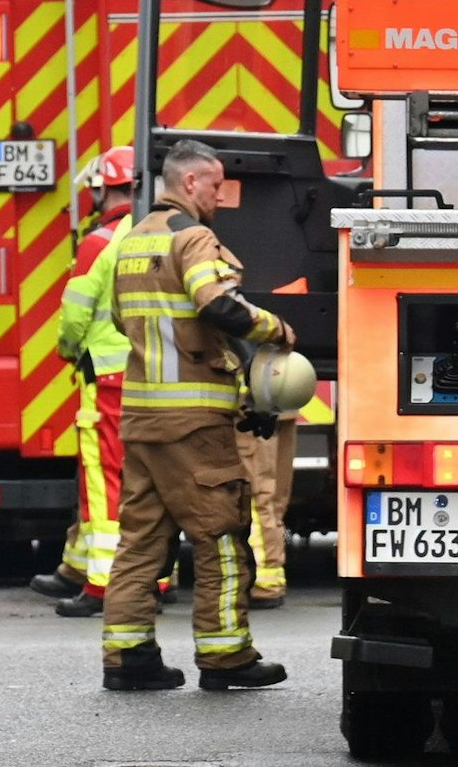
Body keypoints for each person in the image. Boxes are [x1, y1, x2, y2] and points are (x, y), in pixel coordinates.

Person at [100, 140, 294, 691]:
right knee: (223, 535)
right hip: (194, 421)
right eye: (214, 185)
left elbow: (121, 321)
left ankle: (128, 657)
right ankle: (226, 656)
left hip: (141, 419)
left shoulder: (131, 243)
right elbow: (216, 304)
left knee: (140, 539)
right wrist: (275, 329)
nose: (220, 195)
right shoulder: (194, 236)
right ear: (189, 184)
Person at [34, 146, 136, 617]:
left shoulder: (100, 242)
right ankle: (147, 577)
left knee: (104, 479)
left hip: (107, 379)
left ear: (103, 188)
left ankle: (101, 584)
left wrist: (66, 351)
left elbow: (74, 319)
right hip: (154, 377)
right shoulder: (162, 234)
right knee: (144, 479)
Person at [237, 414, 298, 609]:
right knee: (274, 500)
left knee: (258, 499)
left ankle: (265, 582)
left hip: (253, 410)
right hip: (281, 405)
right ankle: (271, 577)